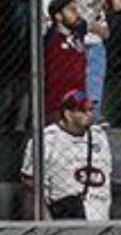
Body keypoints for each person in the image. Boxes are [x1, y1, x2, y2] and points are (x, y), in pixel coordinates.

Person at [20, 89, 111, 220]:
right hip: (65, 214)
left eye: (91, 110)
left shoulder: (99, 136)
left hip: (100, 213)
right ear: (68, 114)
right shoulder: (46, 139)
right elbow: (30, 184)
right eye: (83, 111)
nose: (90, 114)